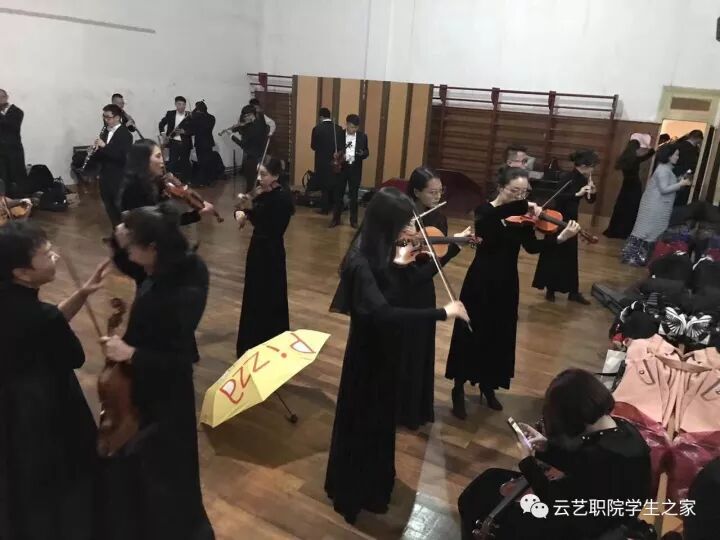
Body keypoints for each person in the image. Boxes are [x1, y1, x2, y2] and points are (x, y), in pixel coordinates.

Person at [325, 187, 469, 524]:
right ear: (387, 223)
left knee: (381, 422)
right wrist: (442, 313)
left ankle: (376, 486)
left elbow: (407, 286)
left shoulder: (386, 252)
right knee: (363, 423)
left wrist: (428, 258)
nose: (412, 231)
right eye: (406, 224)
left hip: (387, 351)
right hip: (367, 356)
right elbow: (384, 312)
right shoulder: (360, 261)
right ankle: (353, 493)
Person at [98, 204, 214, 539]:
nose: (128, 253)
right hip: (145, 381)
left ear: (152, 248)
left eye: (132, 245)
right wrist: (119, 240)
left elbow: (178, 361)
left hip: (166, 393)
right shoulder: (166, 268)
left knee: (166, 470)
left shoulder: (178, 293)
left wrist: (131, 353)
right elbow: (132, 267)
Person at [0, 221, 107, 540]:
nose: (55, 257)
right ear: (22, 272)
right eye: (46, 255)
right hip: (45, 406)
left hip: (10, 406)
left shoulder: (13, 301)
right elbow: (75, 357)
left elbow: (43, 325)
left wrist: (81, 294)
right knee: (65, 482)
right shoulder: (40, 316)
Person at [445, 168, 580, 418]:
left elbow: (532, 247)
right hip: (480, 281)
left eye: (524, 192)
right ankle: (458, 388)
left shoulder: (523, 217)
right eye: (514, 191)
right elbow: (489, 229)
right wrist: (522, 205)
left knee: (499, 333)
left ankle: (488, 385)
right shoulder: (484, 211)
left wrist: (561, 238)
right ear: (500, 187)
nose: (520, 196)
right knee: (471, 333)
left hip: (507, 281)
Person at [457, 369, 652, 540]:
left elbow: (556, 502)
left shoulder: (601, 458)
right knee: (491, 479)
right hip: (596, 514)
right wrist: (546, 448)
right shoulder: (623, 429)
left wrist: (528, 462)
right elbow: (582, 464)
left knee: (476, 498)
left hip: (582, 528)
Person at [393, 167, 471, 430]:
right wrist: (451, 250)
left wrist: (451, 248)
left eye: (440, 192)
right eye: (432, 192)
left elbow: (431, 266)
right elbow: (404, 266)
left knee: (419, 351)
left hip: (423, 289)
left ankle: (415, 409)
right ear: (416, 191)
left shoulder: (438, 218)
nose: (438, 197)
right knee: (400, 352)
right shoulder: (400, 216)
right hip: (401, 289)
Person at [234, 156, 295, 357]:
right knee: (253, 295)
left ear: (276, 176)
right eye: (258, 174)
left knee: (271, 296)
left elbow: (272, 227)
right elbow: (242, 208)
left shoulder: (283, 198)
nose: (259, 179)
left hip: (272, 252)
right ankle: (251, 341)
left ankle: (271, 342)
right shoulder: (260, 193)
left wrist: (250, 210)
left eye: (264, 174)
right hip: (256, 249)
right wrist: (241, 213)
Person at [532, 149, 598, 304]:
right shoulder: (567, 177)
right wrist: (577, 194)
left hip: (572, 219)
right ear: (583, 165)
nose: (593, 169)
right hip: (557, 219)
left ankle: (573, 292)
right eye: (592, 166)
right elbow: (558, 198)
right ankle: (550, 290)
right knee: (553, 254)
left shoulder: (584, 179)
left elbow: (590, 200)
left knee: (570, 257)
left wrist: (593, 192)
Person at [622, 143, 692, 266]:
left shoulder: (666, 170)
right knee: (646, 231)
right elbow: (664, 189)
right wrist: (681, 184)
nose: (677, 157)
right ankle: (634, 258)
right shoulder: (663, 170)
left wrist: (679, 181)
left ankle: (640, 258)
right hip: (654, 206)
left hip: (659, 206)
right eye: (676, 155)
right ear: (669, 156)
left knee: (651, 231)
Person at [117, 139, 215, 224]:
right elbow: (155, 224)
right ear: (144, 160)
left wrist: (197, 213)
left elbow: (166, 220)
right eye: (158, 156)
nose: (162, 161)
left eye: (161, 156)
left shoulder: (157, 182)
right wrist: (195, 215)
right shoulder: (134, 188)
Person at [603, 135, 655, 239]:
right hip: (634, 185)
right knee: (631, 209)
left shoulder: (625, 158)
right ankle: (626, 231)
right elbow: (648, 155)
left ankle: (616, 230)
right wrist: (651, 148)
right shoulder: (635, 158)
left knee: (621, 207)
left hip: (626, 185)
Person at [92, 104, 133, 226]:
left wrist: (104, 146)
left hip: (118, 177)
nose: (105, 120)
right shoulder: (105, 132)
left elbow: (122, 157)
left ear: (117, 117)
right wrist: (95, 150)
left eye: (108, 117)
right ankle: (116, 231)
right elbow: (104, 154)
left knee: (120, 208)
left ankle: (126, 233)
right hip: (105, 176)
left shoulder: (125, 134)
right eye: (104, 117)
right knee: (109, 207)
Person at [330, 114, 369, 228]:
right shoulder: (339, 135)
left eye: (356, 127)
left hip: (355, 169)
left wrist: (362, 153)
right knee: (338, 194)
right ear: (346, 124)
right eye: (352, 127)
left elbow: (367, 152)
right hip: (341, 168)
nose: (354, 129)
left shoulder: (363, 136)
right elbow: (333, 149)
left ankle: (354, 220)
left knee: (354, 196)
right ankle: (336, 219)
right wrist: (335, 154)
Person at [311, 108, 344, 215]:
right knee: (335, 184)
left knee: (324, 185)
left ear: (320, 117)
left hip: (321, 161)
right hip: (336, 161)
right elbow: (341, 146)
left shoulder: (317, 129)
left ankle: (325, 208)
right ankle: (335, 207)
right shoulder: (338, 128)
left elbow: (313, 146)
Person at [231, 104, 268, 192]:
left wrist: (232, 136)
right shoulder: (261, 124)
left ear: (251, 114)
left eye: (245, 116)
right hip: (260, 154)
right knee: (258, 182)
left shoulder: (251, 128)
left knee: (250, 183)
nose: (244, 119)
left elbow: (243, 144)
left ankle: (249, 198)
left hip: (252, 157)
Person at [0, 89, 27, 197]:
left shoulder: (17, 111)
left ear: (6, 97)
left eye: (2, 96)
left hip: (15, 150)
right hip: (1, 152)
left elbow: (11, 125)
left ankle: (22, 200)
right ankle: (6, 202)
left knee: (18, 176)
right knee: (3, 177)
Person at [159, 96, 193, 181]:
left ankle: (185, 181)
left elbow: (194, 130)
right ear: (175, 104)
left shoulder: (189, 115)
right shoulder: (170, 114)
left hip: (185, 143)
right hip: (173, 143)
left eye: (183, 104)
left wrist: (184, 132)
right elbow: (161, 124)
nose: (181, 106)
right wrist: (163, 134)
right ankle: (171, 182)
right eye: (179, 104)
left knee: (185, 163)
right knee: (172, 163)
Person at [190, 101, 218, 186]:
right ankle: (209, 180)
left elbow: (194, 130)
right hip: (208, 143)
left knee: (202, 163)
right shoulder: (212, 117)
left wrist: (193, 114)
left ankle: (203, 181)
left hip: (200, 143)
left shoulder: (197, 118)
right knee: (208, 162)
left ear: (198, 109)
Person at [673, 129, 703, 207]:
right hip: (683, 177)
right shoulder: (692, 150)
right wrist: (687, 174)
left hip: (673, 174)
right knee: (679, 201)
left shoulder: (678, 145)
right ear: (699, 139)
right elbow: (691, 166)